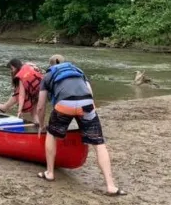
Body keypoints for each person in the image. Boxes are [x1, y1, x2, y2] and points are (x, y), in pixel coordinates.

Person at [34, 54, 126, 196]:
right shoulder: (78, 71)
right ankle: (111, 185)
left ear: (50, 65)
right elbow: (90, 93)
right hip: (87, 104)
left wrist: (41, 125)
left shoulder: (48, 76)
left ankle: (50, 173)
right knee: (99, 143)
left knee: (52, 134)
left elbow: (40, 107)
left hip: (64, 105)